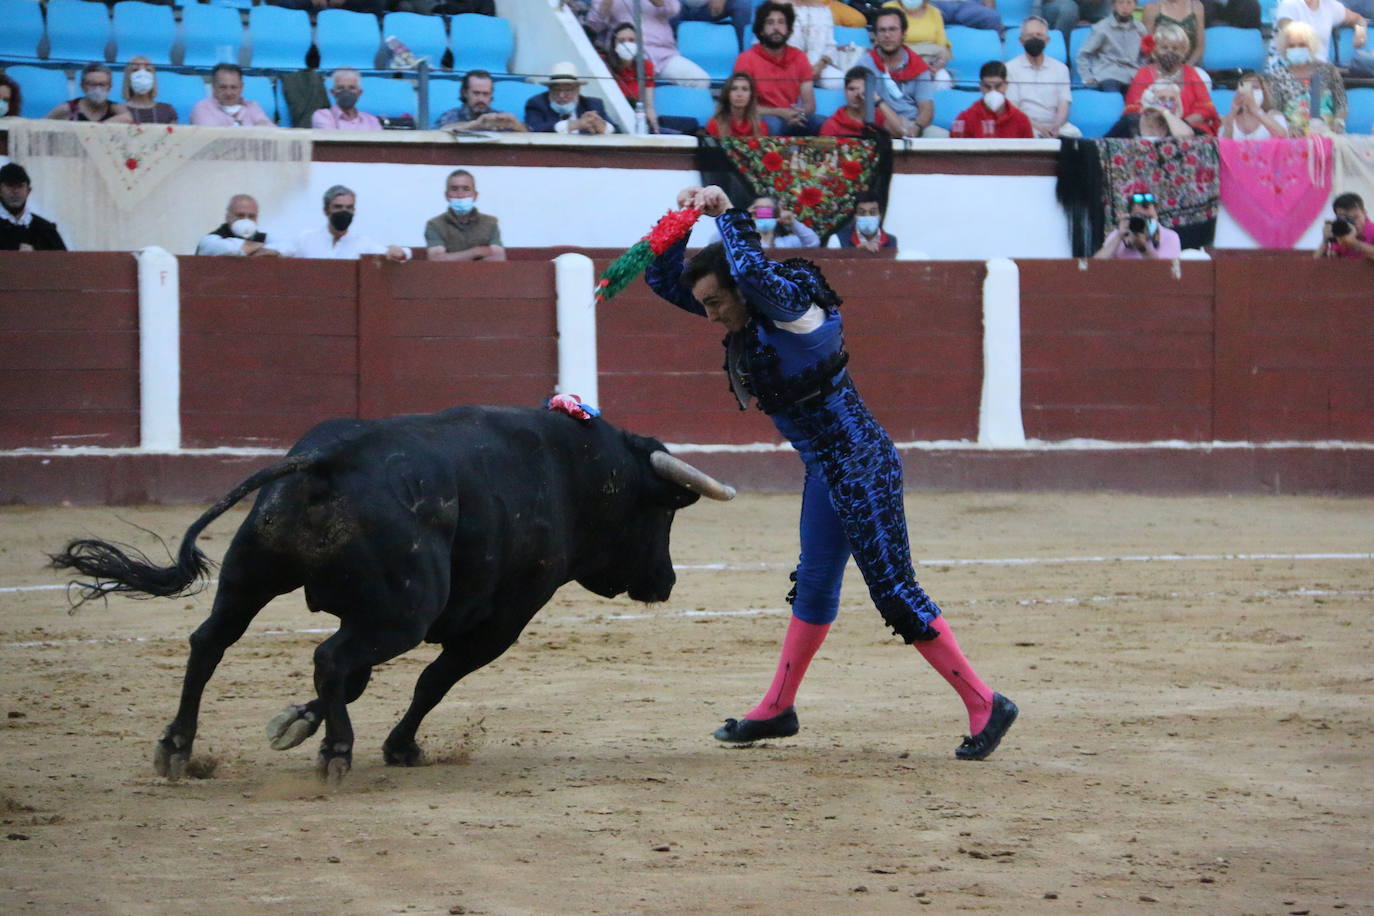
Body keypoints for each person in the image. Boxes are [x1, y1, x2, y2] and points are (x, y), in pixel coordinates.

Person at [643, 184, 1018, 760]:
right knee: (814, 585)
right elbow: (660, 278)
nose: (711, 315)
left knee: (894, 591)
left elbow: (749, 267)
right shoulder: (745, 311)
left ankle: (985, 702)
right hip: (824, 470)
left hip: (862, 465)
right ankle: (777, 708)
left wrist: (728, 213)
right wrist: (683, 217)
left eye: (717, 303)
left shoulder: (793, 304)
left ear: (740, 290)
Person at [732, 1, 824, 136]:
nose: (776, 27)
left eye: (781, 22)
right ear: (761, 30)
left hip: (792, 114)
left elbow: (810, 104)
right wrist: (780, 112)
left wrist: (798, 113)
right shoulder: (746, 59)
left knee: (823, 123)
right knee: (773, 125)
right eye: (770, 23)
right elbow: (743, 106)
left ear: (788, 29)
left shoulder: (799, 57)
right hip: (761, 115)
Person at [1120, 23, 1219, 135]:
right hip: (1150, 127)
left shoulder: (1191, 73)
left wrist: (1179, 124)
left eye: (1175, 48)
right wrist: (1158, 122)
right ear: (1156, 50)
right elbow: (1133, 108)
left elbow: (1205, 110)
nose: (1169, 52)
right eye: (1164, 47)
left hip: (1187, 129)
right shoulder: (1143, 73)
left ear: (1183, 51)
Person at [586, 0, 711, 88]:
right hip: (626, 56)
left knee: (700, 80)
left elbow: (673, 10)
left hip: (662, 55)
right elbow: (594, 25)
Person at [604, 22, 698, 133]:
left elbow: (648, 104)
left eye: (631, 40)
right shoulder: (603, 64)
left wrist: (654, 125)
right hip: (611, 119)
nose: (627, 44)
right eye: (621, 41)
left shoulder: (646, 66)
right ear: (613, 45)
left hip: (636, 118)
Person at [857, 7, 937, 138]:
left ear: (903, 34)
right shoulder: (864, 66)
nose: (887, 35)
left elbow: (926, 108)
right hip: (879, 127)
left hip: (913, 125)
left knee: (940, 137)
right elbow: (861, 109)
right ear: (876, 35)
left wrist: (917, 127)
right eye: (882, 30)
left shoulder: (917, 65)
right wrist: (894, 125)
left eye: (892, 29)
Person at [1266, 21, 1348, 136]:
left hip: (1329, 133)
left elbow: (1341, 104)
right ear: (1285, 48)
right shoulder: (1277, 76)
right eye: (1292, 46)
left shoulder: (1328, 71)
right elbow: (1275, 111)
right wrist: (1288, 129)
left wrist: (1338, 122)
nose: (1297, 49)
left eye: (1302, 45)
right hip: (1294, 137)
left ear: (1310, 46)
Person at [292, 185, 410, 261]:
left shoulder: (363, 243)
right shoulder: (306, 239)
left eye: (349, 208)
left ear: (354, 211)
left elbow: (402, 255)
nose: (344, 211)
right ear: (326, 210)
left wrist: (398, 251)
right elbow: (281, 252)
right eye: (338, 207)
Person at [1006, 17, 1080, 138]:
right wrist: (1039, 128)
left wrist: (1055, 126)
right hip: (1025, 124)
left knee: (1075, 135)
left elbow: (1063, 106)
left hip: (1055, 126)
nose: (1034, 39)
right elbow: (1014, 109)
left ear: (1047, 40)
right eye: (1029, 36)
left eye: (1039, 35)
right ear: (1021, 41)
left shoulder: (1061, 69)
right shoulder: (1010, 68)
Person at [423, 169, 505, 262]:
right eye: (454, 189)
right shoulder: (435, 225)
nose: (460, 195)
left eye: (466, 189)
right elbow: (436, 259)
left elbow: (498, 257)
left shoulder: (490, 223)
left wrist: (451, 257)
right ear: (446, 195)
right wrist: (475, 252)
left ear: (475, 195)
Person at [524, 62, 618, 134]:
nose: (561, 95)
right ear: (549, 89)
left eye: (567, 90)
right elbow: (533, 128)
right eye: (556, 90)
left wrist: (603, 127)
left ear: (578, 90)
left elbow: (617, 131)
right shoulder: (537, 103)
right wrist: (572, 125)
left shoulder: (592, 104)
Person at [1076, 0, 1148, 94]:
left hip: (1133, 74)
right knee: (1113, 96)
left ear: (1135, 6)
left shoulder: (1140, 28)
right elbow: (1083, 54)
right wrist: (1087, 77)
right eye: (1121, 3)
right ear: (1113, 5)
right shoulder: (1102, 28)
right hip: (1109, 73)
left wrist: (1141, 69)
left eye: (1129, 3)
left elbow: (1144, 55)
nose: (1125, 7)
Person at [1273, 0, 1368, 70]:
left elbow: (1358, 19)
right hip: (1286, 71)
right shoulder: (1289, 5)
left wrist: (1360, 31)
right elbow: (1289, 46)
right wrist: (1327, 69)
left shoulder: (1330, 5)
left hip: (1319, 73)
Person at [951, 61, 1036, 137]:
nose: (993, 92)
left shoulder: (1021, 120)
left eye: (998, 86)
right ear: (980, 86)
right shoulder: (965, 119)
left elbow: (1029, 153)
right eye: (987, 87)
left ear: (1006, 85)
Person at [1094, 189, 1182, 258]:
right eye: (1140, 218)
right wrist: (1119, 236)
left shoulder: (1170, 236)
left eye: (1149, 218)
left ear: (1156, 215)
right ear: (1130, 217)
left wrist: (1141, 247)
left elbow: (1163, 272)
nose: (1145, 223)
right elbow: (1096, 266)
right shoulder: (1119, 234)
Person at [0, 162, 66, 251]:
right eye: (10, 185)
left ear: (28, 191)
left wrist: (36, 254)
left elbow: (64, 262)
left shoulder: (46, 230)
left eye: (20, 186)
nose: (15, 191)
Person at [433, 70, 527, 132]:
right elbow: (437, 134)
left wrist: (516, 125)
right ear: (464, 93)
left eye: (485, 94)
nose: (481, 99)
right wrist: (476, 124)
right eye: (476, 93)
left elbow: (530, 137)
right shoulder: (451, 115)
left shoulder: (498, 117)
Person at [196, 194, 286, 257]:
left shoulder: (264, 237)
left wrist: (275, 252)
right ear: (228, 217)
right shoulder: (210, 240)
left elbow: (288, 247)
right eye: (240, 215)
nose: (246, 220)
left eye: (251, 216)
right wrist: (260, 247)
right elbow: (230, 249)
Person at [786, 0, 847, 92]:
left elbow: (830, 46)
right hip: (790, 66)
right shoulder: (782, 6)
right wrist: (804, 68)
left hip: (818, 68)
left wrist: (820, 65)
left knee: (839, 80)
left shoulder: (824, 10)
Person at [190, 64, 275, 127]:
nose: (229, 93)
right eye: (223, 87)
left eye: (233, 87)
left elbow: (270, 131)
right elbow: (213, 137)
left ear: (241, 87)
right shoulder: (203, 108)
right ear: (214, 87)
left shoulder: (252, 107)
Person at [45, 63, 127, 123]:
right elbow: (40, 129)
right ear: (82, 86)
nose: (98, 89)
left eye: (102, 84)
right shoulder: (67, 110)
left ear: (110, 86)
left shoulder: (117, 111)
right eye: (92, 84)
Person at [1218, 72, 1289, 138]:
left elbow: (1282, 136)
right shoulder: (1227, 119)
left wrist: (1255, 109)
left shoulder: (1274, 116)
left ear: (1263, 92)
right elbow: (1223, 144)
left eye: (1255, 87)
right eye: (1246, 88)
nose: (1251, 92)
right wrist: (1233, 110)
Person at [1143, 0, 1207, 72]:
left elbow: (1200, 47)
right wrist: (1165, 69)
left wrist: (1185, 69)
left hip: (1191, 66)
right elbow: (1147, 46)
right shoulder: (1152, 8)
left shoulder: (1197, 6)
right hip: (1159, 68)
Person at [311, 69, 382, 131]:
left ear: (359, 93)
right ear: (333, 93)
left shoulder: (371, 121)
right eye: (341, 88)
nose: (346, 92)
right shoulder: (322, 116)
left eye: (352, 88)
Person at [114, 57, 177, 125]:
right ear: (128, 77)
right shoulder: (119, 110)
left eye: (148, 70)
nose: (142, 74)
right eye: (135, 70)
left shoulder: (167, 110)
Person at [706, 72, 770, 137]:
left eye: (745, 89)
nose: (739, 94)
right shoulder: (714, 124)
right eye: (734, 89)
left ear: (751, 95)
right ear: (727, 94)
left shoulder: (760, 127)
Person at [830, 190, 899, 250]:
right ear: (855, 217)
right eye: (862, 213)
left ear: (880, 216)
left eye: (872, 212)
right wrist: (855, 254)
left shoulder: (891, 241)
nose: (867, 216)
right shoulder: (837, 240)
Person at [1314, 192, 1374, 260]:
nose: (1352, 223)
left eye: (1355, 217)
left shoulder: (1372, 230)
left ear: (1364, 213)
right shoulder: (1340, 232)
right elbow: (1316, 264)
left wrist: (1354, 243)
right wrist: (1325, 241)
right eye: (1345, 219)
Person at [747, 195, 821, 248]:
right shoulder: (744, 242)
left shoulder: (786, 243)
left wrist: (793, 223)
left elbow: (813, 243)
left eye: (769, 209)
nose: (764, 213)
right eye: (758, 209)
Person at [885, 0, 1002, 33]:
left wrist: (989, 8)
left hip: (967, 5)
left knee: (991, 16)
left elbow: (990, 4)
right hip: (936, 4)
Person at [673, 0, 753, 47]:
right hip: (677, 7)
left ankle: (744, 54)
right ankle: (667, 53)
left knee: (742, 5)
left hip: (710, 8)